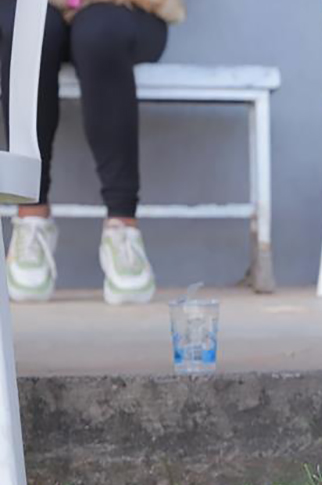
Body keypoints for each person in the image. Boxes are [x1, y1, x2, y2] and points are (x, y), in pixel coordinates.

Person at [0, 0, 186, 305]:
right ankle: (30, 217)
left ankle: (122, 227)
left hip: (127, 10)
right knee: (29, 27)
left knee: (100, 31)